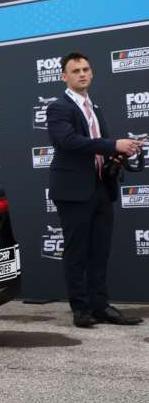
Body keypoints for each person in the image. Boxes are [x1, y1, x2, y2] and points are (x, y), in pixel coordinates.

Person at [47, 51, 143, 328]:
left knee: (100, 252)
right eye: (75, 70)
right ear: (64, 76)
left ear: (92, 72)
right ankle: (81, 310)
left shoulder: (95, 108)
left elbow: (97, 147)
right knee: (76, 252)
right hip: (73, 191)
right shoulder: (59, 107)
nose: (82, 74)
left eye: (86, 69)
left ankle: (101, 306)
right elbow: (68, 141)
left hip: (101, 187)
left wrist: (117, 155)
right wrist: (113, 145)